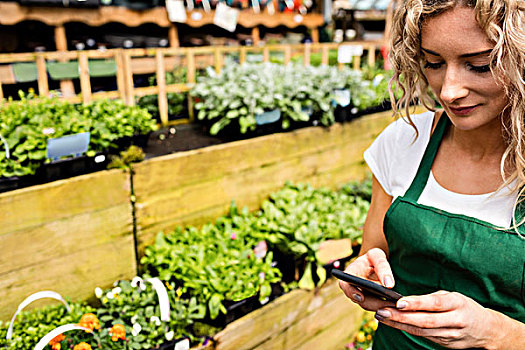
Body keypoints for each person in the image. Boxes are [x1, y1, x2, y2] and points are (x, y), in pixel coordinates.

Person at [338, 0, 525, 349]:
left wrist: (496, 333)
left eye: (480, 66)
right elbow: (373, 252)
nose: (449, 90)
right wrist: (363, 273)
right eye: (434, 63)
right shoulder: (404, 142)